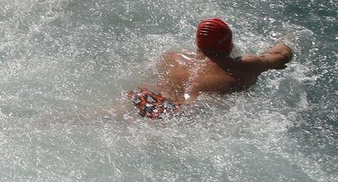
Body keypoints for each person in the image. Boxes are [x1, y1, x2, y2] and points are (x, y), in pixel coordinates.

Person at [125, 18, 292, 120]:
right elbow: (282, 56)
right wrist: (288, 41)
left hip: (150, 100)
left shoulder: (172, 57)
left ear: (198, 42)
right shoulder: (244, 66)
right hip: (188, 114)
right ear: (228, 43)